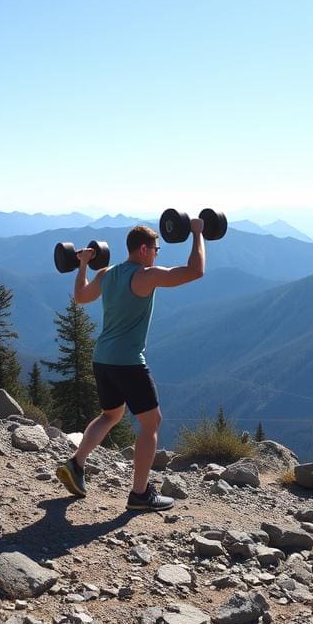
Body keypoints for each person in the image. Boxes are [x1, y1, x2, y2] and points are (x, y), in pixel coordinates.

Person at [56, 219, 205, 511]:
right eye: (156, 249)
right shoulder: (145, 276)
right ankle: (140, 494)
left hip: (103, 359)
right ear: (144, 249)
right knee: (152, 422)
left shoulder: (106, 273)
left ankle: (76, 464)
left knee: (110, 414)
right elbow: (195, 271)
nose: (158, 254)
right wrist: (198, 235)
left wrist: (84, 264)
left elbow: (80, 297)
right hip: (128, 362)